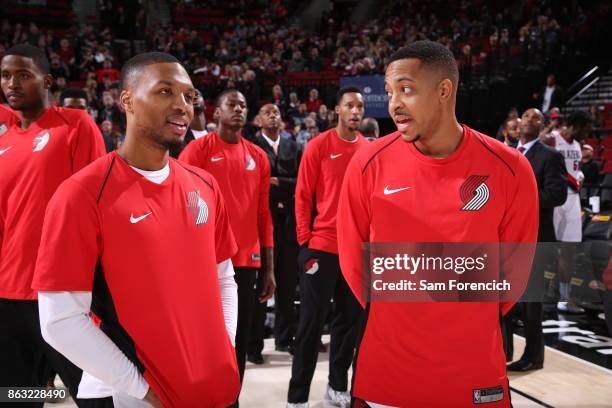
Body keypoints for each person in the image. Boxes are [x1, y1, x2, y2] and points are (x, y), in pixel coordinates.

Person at [33, 52, 241, 408]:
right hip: (130, 394)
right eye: (165, 92)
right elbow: (60, 319)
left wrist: (223, 349)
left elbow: (224, 278)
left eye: (189, 96)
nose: (182, 106)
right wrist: (144, 390)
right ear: (126, 100)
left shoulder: (204, 185)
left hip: (210, 387)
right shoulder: (82, 194)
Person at [337, 41, 538, 407]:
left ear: (444, 90)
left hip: (474, 375)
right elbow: (353, 264)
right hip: (389, 375)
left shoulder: (511, 170)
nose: (394, 104)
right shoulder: (367, 164)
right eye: (389, 91)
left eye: (407, 89)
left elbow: (514, 277)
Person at [0, 44, 112, 407]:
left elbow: (97, 204)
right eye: (5, 76)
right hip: (9, 294)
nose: (12, 83)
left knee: (92, 394)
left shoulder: (75, 124)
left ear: (47, 80)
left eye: (23, 75)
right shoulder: (4, 139)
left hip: (60, 293)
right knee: (18, 395)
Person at [179, 89, 275, 406]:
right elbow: (180, 207)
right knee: (202, 339)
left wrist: (269, 268)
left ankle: (231, 399)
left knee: (237, 339)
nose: (238, 109)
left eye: (243, 105)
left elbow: (264, 214)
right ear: (216, 112)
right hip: (202, 261)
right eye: (231, 105)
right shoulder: (196, 150)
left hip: (246, 260)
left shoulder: (258, 157)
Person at [288, 86, 367, 408]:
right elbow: (303, 195)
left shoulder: (367, 149)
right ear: (337, 109)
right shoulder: (318, 145)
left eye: (360, 106)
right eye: (350, 105)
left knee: (347, 325)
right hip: (321, 247)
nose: (356, 111)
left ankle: (337, 387)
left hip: (355, 251)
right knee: (310, 324)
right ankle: (297, 398)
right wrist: (305, 240)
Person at [505, 108, 567, 372]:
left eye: (534, 118)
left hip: (537, 239)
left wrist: (519, 199)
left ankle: (534, 356)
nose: (527, 121)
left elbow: (557, 195)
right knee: (503, 298)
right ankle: (503, 350)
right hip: (508, 238)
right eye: (524, 117)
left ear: (542, 126)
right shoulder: (507, 153)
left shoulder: (550, 156)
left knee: (531, 303)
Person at [248, 104, 301, 363]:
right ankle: (254, 346)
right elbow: (255, 186)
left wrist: (278, 181)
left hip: (290, 223)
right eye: (267, 112)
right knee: (262, 288)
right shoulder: (251, 147)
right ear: (258, 120)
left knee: (288, 286)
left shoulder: (295, 147)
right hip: (263, 224)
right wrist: (285, 184)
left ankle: (284, 339)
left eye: (276, 113)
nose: (273, 115)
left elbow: (302, 183)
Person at [543, 111, 592, 313]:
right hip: (555, 199)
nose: (587, 135)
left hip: (572, 200)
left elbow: (575, 169)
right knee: (548, 247)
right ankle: (544, 292)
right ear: (576, 125)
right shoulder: (552, 138)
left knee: (569, 249)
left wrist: (578, 177)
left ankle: (565, 297)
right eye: (586, 130)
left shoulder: (578, 145)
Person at [169, 88, 207, 158]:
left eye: (196, 94)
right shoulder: (177, 138)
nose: (194, 97)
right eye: (189, 97)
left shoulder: (217, 133)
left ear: (205, 105)